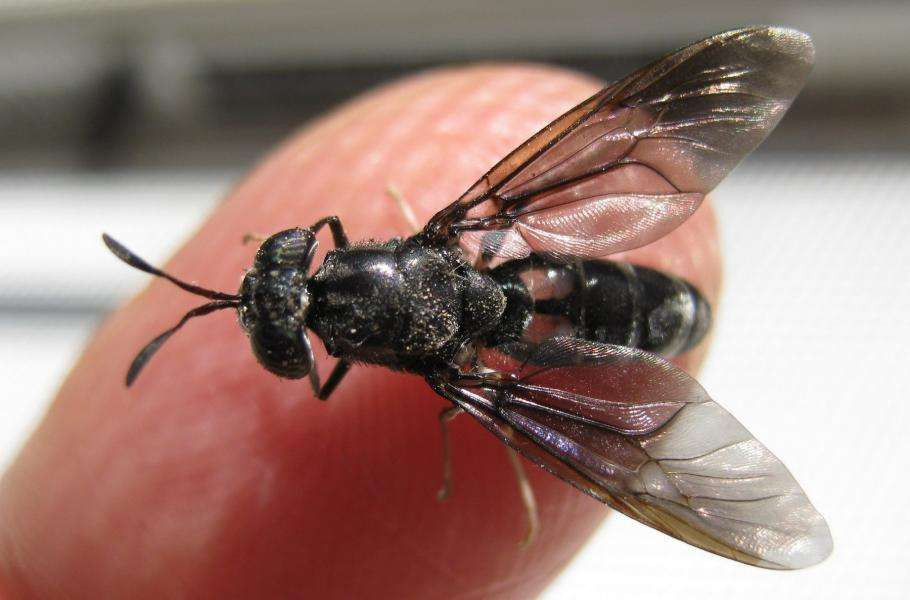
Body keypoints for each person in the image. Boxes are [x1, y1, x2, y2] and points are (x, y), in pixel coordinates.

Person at [0, 64, 720, 599]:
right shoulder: (445, 238)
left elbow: (337, 383)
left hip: (544, 330)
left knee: (519, 398)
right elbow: (335, 230)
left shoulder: (454, 378)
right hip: (575, 282)